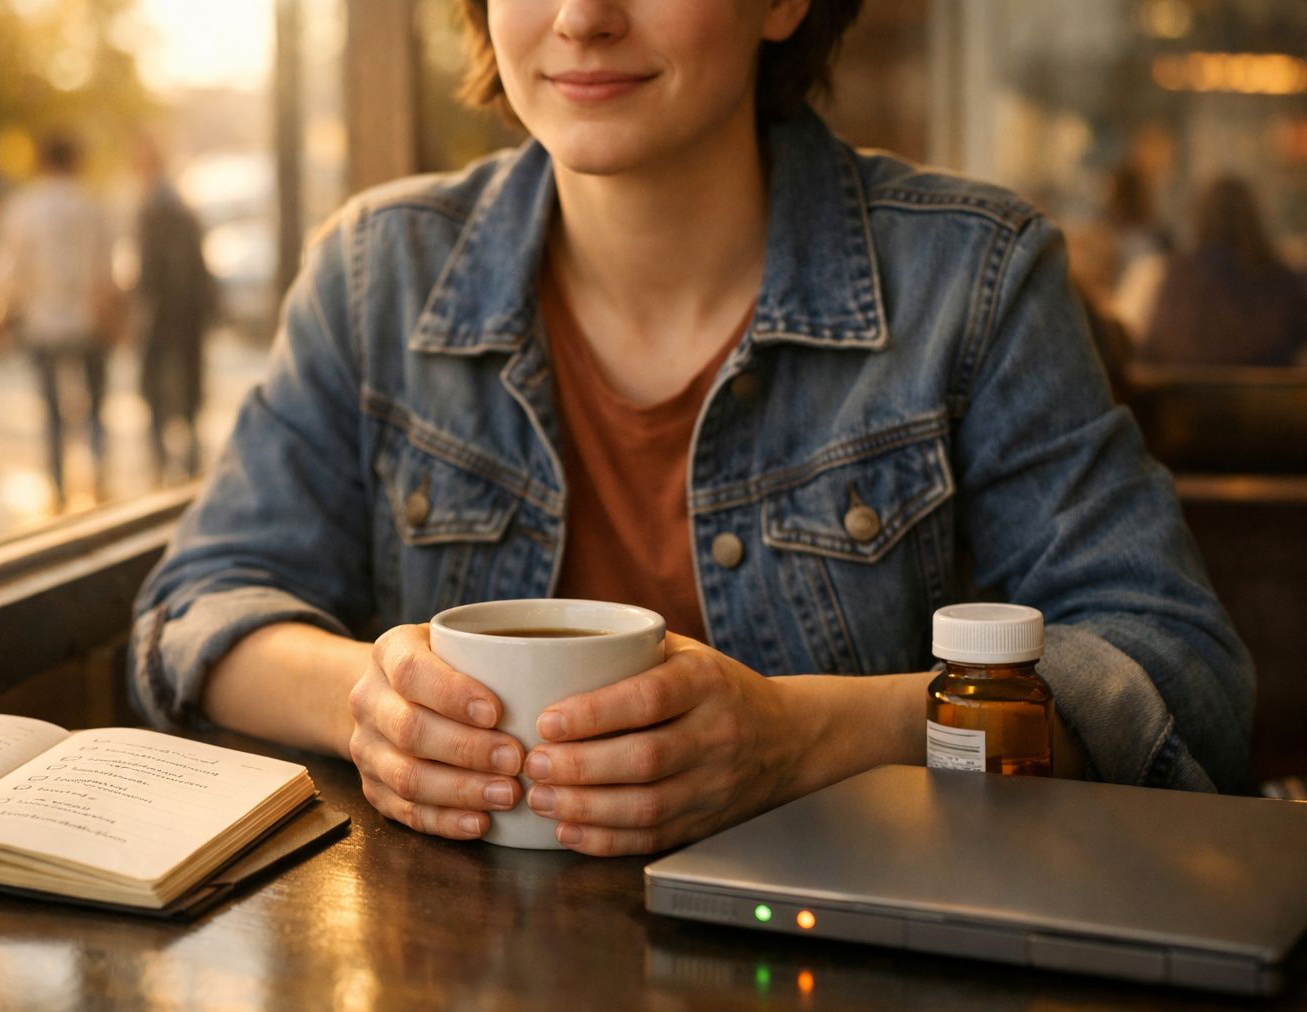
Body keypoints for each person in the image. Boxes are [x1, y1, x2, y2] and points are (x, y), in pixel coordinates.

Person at [131, 0, 1253, 856]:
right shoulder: (377, 269)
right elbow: (201, 604)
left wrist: (801, 738)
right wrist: (363, 702)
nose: (581, 18)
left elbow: (1178, 679)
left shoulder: (976, 278)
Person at [0, 132, 121, 506]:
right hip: (87, 322)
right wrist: (111, 318)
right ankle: (99, 476)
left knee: (51, 413)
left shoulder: (24, 209)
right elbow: (106, 272)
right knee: (94, 406)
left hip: (42, 324)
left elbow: (11, 272)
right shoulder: (91, 206)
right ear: (75, 160)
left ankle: (59, 486)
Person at [1140, 176, 1306, 367]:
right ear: (1254, 217)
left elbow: (1152, 348)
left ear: (1199, 218)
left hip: (1181, 393)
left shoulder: (1179, 274)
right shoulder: (1278, 278)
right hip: (1267, 393)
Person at [133, 139, 216, 484]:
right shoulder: (179, 204)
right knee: (185, 389)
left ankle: (166, 463)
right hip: (186, 313)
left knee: (160, 388)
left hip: (167, 313)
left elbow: (154, 269)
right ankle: (187, 460)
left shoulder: (156, 208)